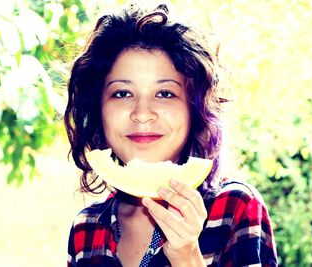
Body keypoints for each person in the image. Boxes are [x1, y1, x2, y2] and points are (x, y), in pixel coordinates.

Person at [65, 3, 277, 267]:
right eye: (122, 93)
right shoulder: (86, 227)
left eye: (165, 94)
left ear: (194, 111)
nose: (142, 114)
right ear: (99, 110)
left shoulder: (235, 207)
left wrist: (188, 256)